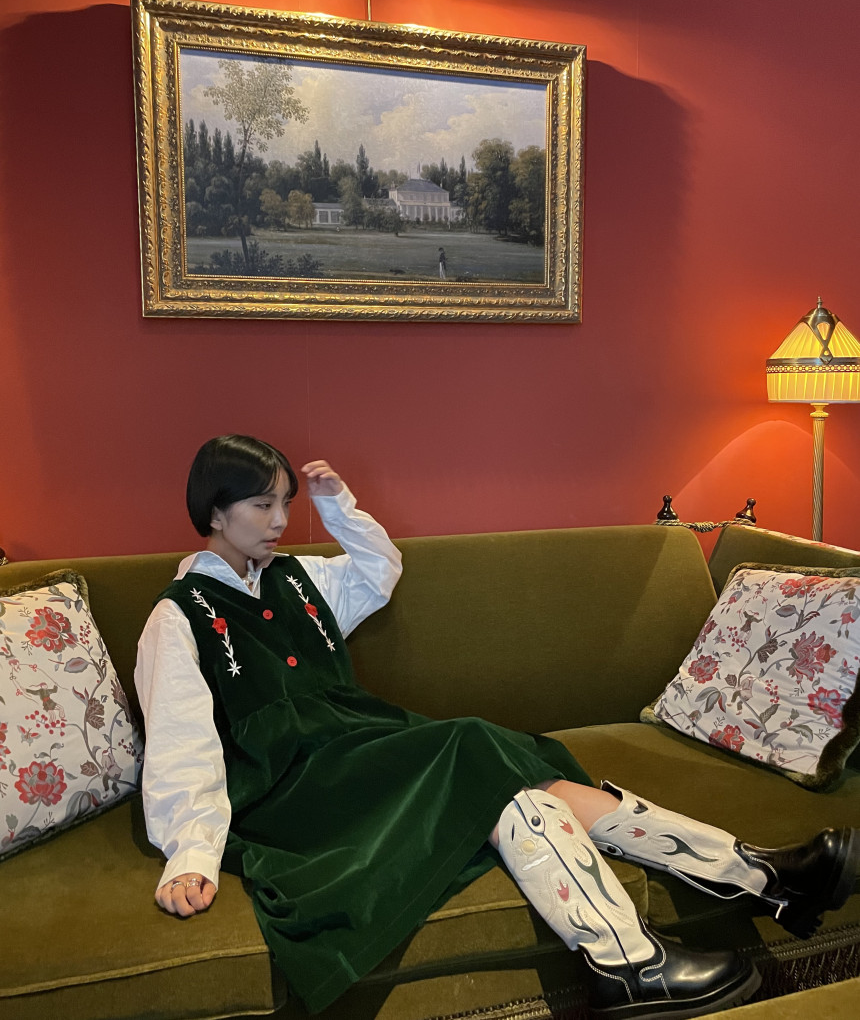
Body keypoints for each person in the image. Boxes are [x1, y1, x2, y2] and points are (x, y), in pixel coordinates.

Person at [135, 436, 858, 1018]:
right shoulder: (178, 616)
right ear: (215, 512)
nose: (279, 519)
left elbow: (379, 570)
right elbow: (180, 747)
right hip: (294, 784)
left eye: (286, 503)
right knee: (476, 743)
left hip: (360, 746)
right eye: (262, 504)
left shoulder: (298, 577)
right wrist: (191, 855)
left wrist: (339, 507)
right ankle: (716, 904)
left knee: (514, 779)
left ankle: (707, 910)